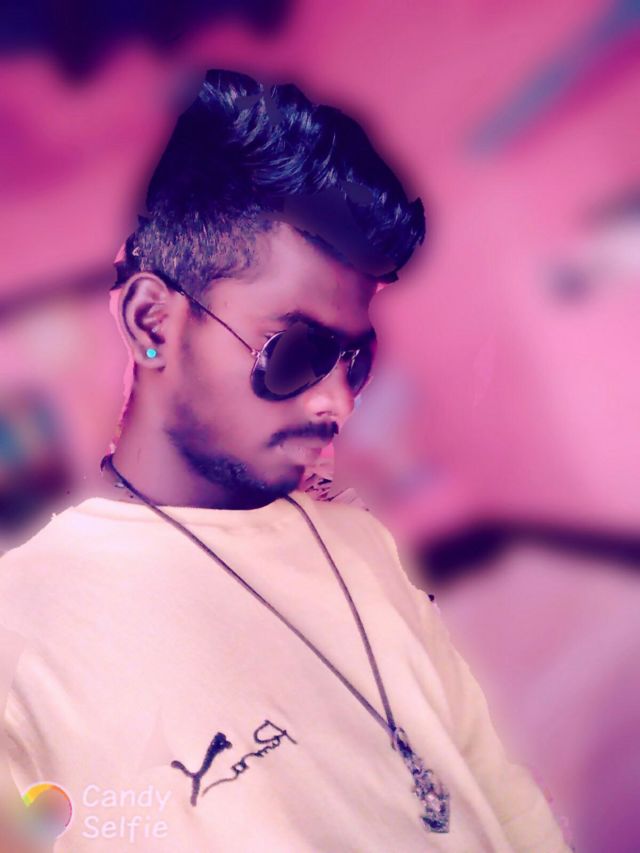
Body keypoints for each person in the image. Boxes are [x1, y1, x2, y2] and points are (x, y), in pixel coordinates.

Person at [0, 70, 568, 852]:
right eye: (295, 351)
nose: (337, 403)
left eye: (354, 361)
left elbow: (498, 791)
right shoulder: (21, 632)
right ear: (152, 322)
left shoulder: (360, 543)